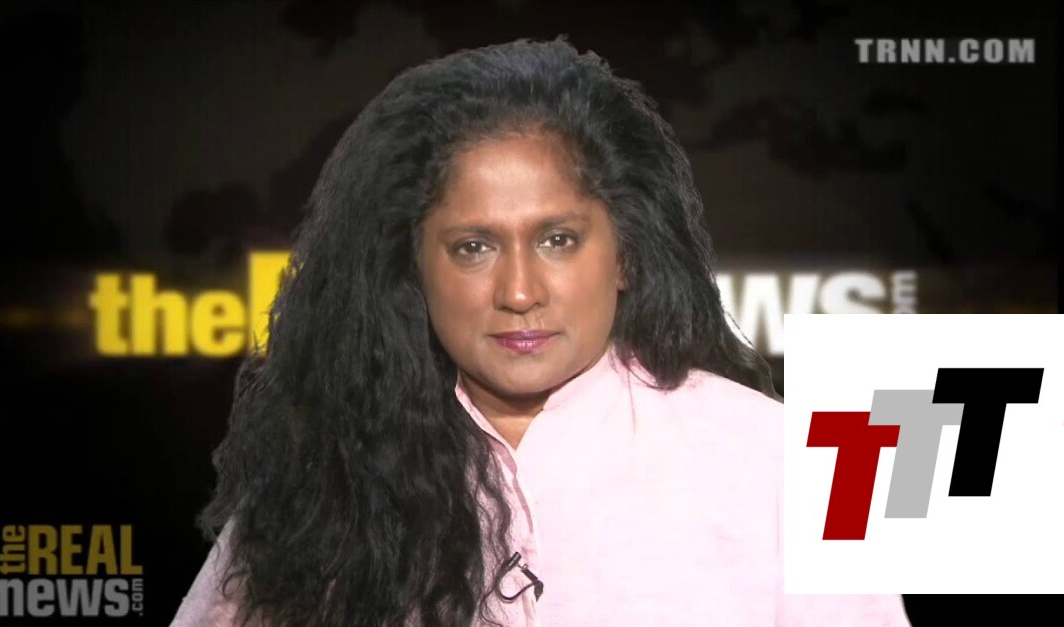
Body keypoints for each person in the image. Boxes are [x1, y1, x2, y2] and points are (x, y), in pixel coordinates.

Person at [171, 37, 912, 626]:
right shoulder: (317, 478)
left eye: (558, 240)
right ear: (411, 267)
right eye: (473, 247)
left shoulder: (786, 461)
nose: (519, 292)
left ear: (626, 253)